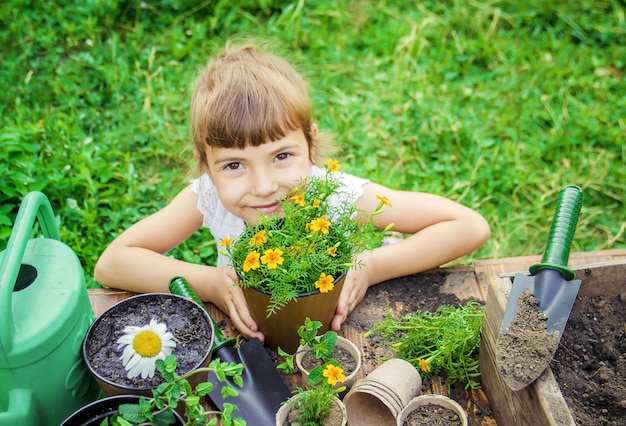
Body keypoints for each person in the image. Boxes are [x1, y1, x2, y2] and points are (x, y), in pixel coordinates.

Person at [94, 42, 490, 343]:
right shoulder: (209, 196)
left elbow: (469, 226)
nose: (264, 187)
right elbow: (112, 264)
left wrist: (372, 266)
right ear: (205, 164)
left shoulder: (335, 197)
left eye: (281, 155)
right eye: (234, 165)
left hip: (348, 327)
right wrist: (213, 283)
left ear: (310, 145)